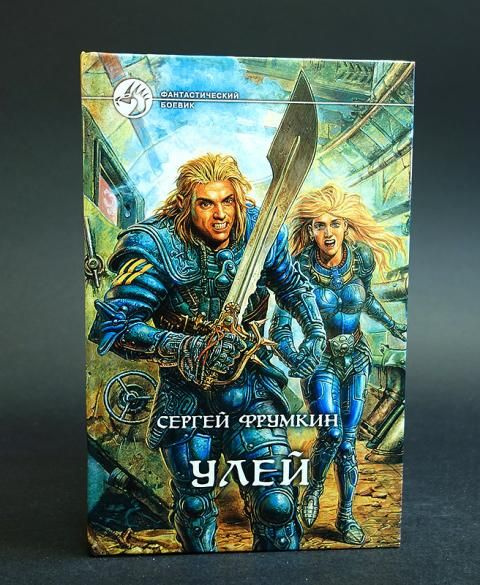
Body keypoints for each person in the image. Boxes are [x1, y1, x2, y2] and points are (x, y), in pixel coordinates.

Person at [89, 153, 326, 552]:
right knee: (195, 507)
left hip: (250, 387)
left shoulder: (260, 229)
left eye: (227, 201)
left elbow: (291, 285)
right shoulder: (157, 244)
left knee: (277, 504)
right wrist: (187, 346)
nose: (220, 215)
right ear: (186, 203)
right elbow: (114, 325)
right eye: (206, 203)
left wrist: (315, 329)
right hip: (187, 396)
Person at [270, 183, 406, 545]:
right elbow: (280, 326)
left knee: (347, 444)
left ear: (346, 226)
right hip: (321, 362)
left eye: (335, 223)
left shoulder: (361, 258)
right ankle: (315, 486)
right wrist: (294, 358)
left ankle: (345, 516)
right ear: (310, 230)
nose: (328, 233)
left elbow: (366, 299)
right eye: (319, 225)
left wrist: (393, 324)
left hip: (357, 357)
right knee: (330, 433)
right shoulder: (297, 267)